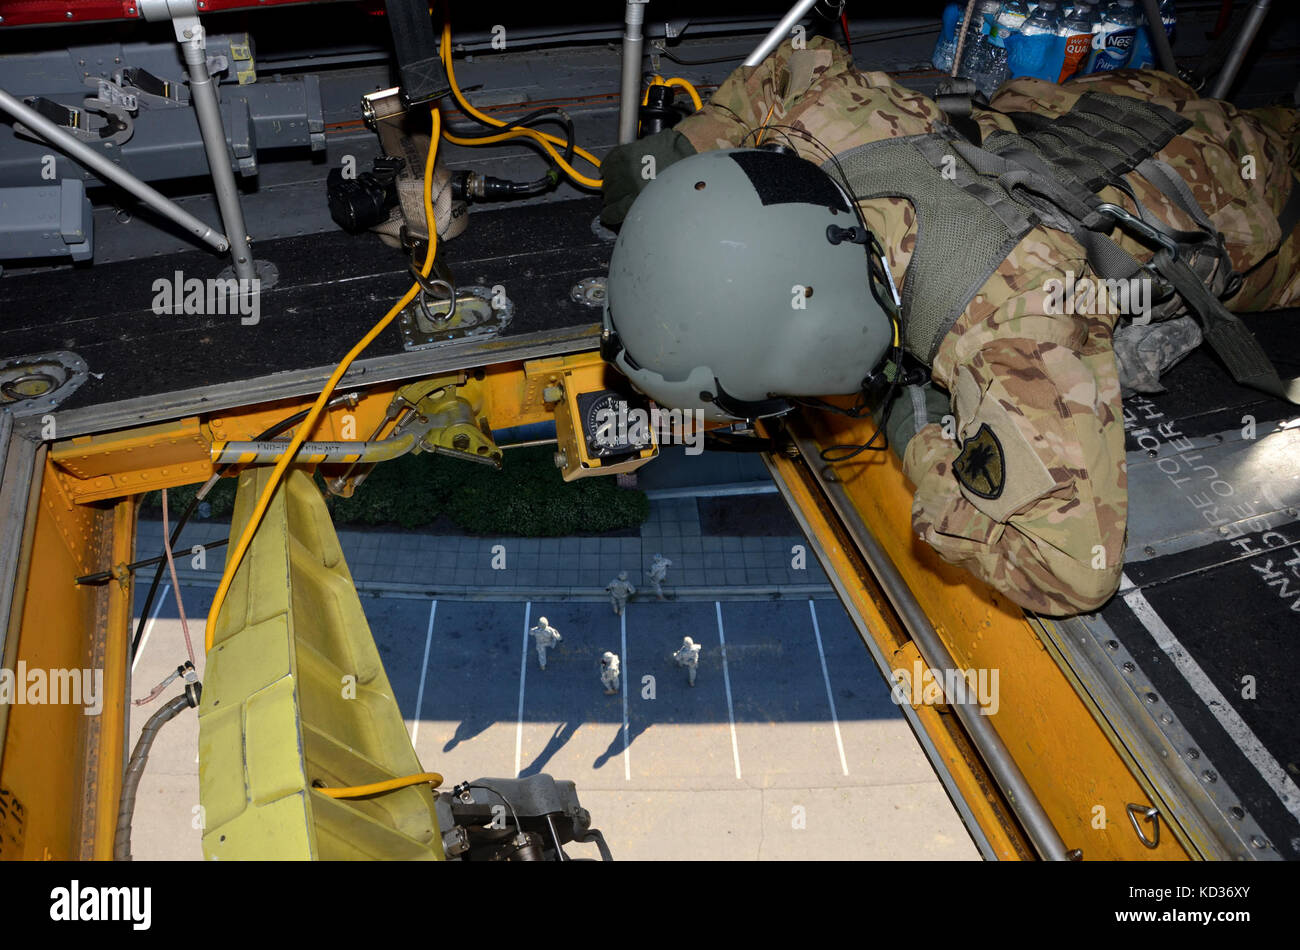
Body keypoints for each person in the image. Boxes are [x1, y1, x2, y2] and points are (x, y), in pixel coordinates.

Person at [599, 35, 1300, 616]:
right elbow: (791, 64)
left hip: (1250, 204)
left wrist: (922, 442)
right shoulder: (825, 122)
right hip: (1124, 108)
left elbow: (1073, 573)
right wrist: (671, 164)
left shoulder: (1010, 329)